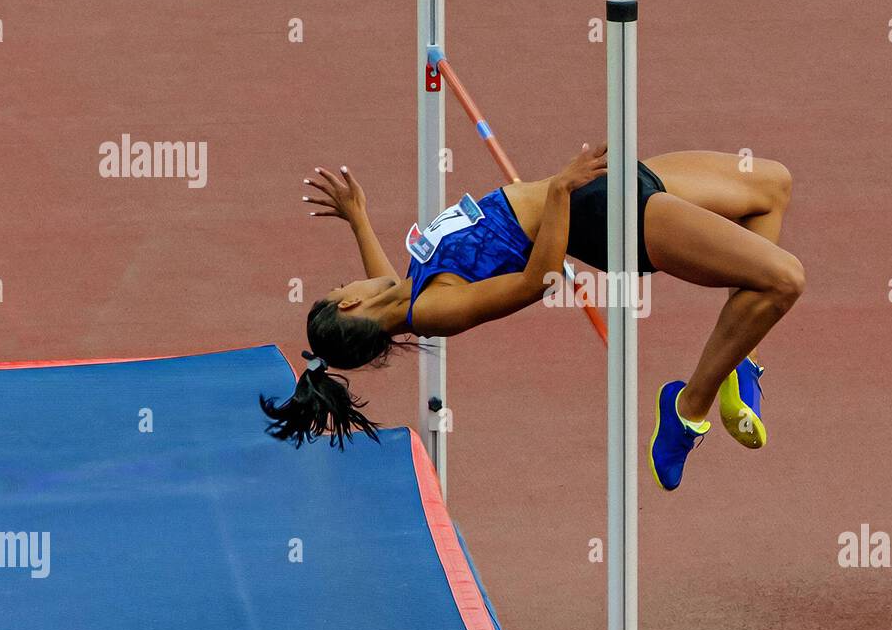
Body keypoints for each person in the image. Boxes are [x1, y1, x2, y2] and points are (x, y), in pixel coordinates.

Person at [261, 145, 803, 490]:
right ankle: (687, 407)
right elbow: (536, 281)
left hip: (598, 189)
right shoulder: (436, 309)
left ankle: (740, 362)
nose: (347, 283)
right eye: (339, 289)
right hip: (600, 216)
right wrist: (562, 191)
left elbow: (385, 289)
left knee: (770, 186)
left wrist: (358, 217)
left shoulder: (407, 291)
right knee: (782, 280)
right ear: (348, 305)